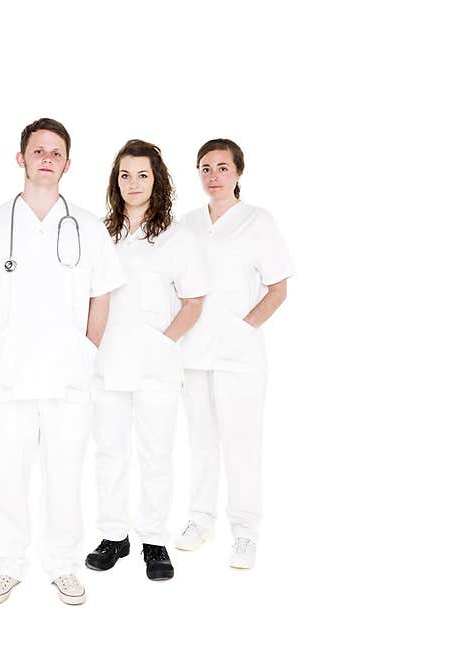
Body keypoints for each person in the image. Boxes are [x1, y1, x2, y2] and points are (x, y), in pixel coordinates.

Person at [0, 118, 124, 605]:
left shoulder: (88, 227)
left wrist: (87, 352)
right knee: (5, 475)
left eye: (56, 151)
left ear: (67, 163)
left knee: (65, 475)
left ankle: (63, 565)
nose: (47, 157)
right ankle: (7, 564)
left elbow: (101, 297)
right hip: (7, 377)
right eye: (38, 149)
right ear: (20, 158)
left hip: (69, 376)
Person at [86, 140, 208, 581]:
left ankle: (153, 540)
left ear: (157, 180)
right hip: (107, 364)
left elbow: (194, 302)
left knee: (156, 453)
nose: (132, 183)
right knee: (109, 453)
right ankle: (113, 534)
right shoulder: (100, 234)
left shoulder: (178, 237)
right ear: (114, 182)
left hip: (156, 366)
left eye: (142, 175)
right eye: (124, 175)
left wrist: (163, 342)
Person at [176, 138, 295, 569]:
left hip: (239, 357)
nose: (213, 176)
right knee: (201, 444)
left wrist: (244, 330)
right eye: (205, 168)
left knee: (242, 446)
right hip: (193, 354)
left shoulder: (257, 222)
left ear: (238, 172)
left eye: (222, 167)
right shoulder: (186, 224)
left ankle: (245, 533)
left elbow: (278, 288)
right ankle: (200, 520)